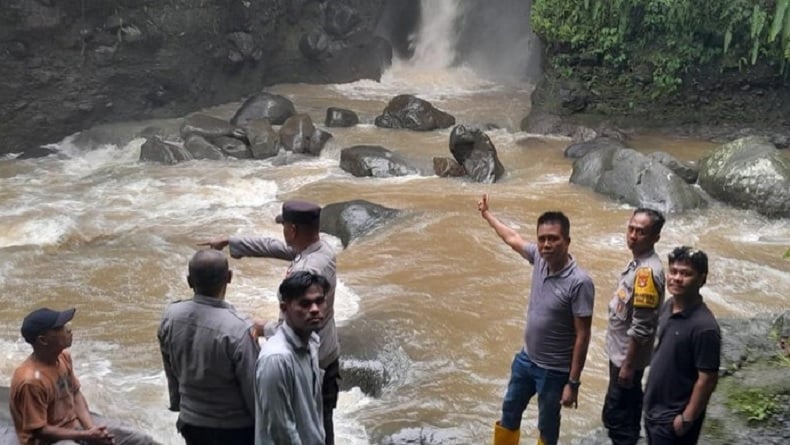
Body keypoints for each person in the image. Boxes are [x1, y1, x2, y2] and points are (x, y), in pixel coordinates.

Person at [200, 199, 340, 445]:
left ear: (293, 230)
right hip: (325, 355)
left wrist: (263, 327)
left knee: (307, 425)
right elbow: (274, 246)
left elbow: (298, 323)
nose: (283, 232)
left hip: (309, 360)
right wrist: (231, 242)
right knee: (318, 424)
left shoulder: (306, 273)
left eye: (284, 226)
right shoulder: (321, 249)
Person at [478, 194, 595, 445]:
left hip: (554, 371)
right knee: (509, 411)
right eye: (542, 239)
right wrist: (488, 215)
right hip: (526, 359)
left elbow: (583, 335)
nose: (546, 244)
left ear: (567, 241)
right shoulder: (539, 260)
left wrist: (573, 383)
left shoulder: (580, 283)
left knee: (547, 426)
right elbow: (512, 238)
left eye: (553, 239)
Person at [10, 307, 157, 445]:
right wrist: (86, 436)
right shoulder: (30, 381)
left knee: (139, 438)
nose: (68, 330)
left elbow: (75, 394)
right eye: (61, 328)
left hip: (74, 424)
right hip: (47, 440)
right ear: (43, 340)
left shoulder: (63, 358)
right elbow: (40, 431)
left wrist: (91, 429)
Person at [157, 249, 259, 445]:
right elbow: (253, 390)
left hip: (192, 422)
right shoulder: (239, 328)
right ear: (229, 277)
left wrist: (178, 404)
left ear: (189, 281)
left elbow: (170, 370)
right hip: (234, 428)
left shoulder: (171, 316)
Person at [643, 247, 721, 445]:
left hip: (674, 418)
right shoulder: (669, 306)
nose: (677, 278)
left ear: (702, 279)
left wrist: (686, 419)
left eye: (686, 274)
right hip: (655, 410)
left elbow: (708, 379)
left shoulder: (704, 327)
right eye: (674, 271)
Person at [602, 208, 666, 445]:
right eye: (631, 229)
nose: (633, 235)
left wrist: (628, 366)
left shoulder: (646, 273)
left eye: (641, 232)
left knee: (618, 418)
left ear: (655, 237)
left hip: (626, 360)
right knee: (621, 410)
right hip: (620, 355)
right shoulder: (638, 264)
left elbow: (642, 326)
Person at [254, 271, 329, 445]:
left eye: (319, 301)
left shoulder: (312, 342)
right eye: (305, 304)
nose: (315, 309)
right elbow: (282, 431)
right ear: (284, 308)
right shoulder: (276, 359)